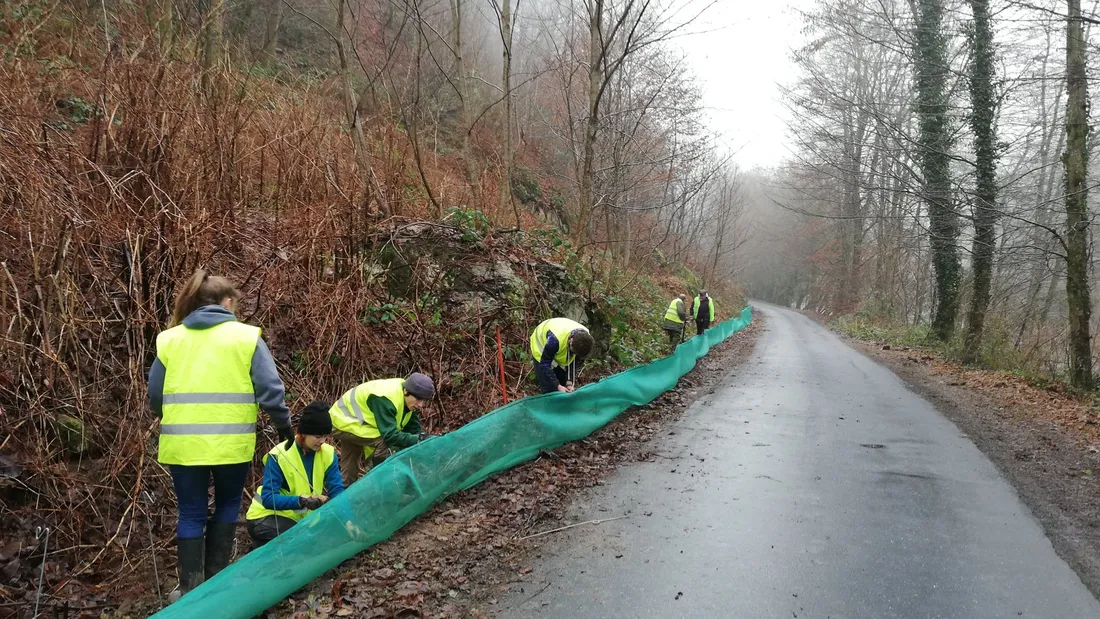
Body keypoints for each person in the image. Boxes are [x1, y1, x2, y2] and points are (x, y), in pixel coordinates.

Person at [148, 270, 293, 600]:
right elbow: (271, 391)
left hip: (183, 444)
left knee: (191, 512)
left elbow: (155, 396)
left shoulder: (170, 339)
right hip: (232, 443)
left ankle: (188, 589)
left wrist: (175, 417)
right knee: (228, 505)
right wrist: (284, 426)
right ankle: (216, 585)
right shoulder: (244, 337)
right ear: (227, 302)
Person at [245, 401, 344, 547]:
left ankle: (267, 546)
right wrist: (301, 501)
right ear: (303, 433)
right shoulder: (279, 455)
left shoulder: (328, 454)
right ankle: (262, 546)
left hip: (299, 520)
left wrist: (347, 520)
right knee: (305, 542)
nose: (322, 441)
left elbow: (337, 490)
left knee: (322, 538)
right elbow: (268, 499)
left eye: (325, 436)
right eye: (317, 436)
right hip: (264, 517)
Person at [328, 373, 435, 486]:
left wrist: (424, 438)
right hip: (342, 420)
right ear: (406, 391)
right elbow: (390, 436)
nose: (421, 404)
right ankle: (376, 482)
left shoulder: (409, 399)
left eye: (424, 401)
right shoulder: (386, 398)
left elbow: (413, 428)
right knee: (384, 442)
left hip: (355, 422)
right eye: (418, 399)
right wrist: (418, 439)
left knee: (350, 462)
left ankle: (344, 493)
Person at [530, 317, 594, 394]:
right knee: (550, 388)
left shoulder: (585, 339)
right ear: (571, 340)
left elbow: (573, 361)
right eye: (573, 352)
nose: (574, 355)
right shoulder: (553, 341)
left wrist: (569, 382)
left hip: (561, 343)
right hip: (541, 346)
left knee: (565, 386)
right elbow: (545, 364)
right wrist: (557, 386)